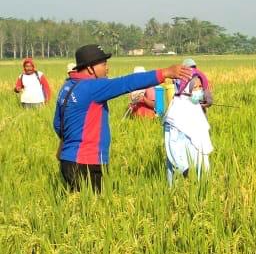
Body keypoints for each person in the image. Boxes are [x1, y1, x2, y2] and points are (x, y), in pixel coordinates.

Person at [53, 44, 192, 192]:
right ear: (89, 68)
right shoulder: (92, 87)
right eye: (104, 64)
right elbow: (127, 83)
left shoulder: (67, 87)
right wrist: (165, 72)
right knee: (96, 209)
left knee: (80, 208)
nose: (107, 68)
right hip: (87, 163)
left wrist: (65, 147)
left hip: (67, 161)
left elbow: (58, 124)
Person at [163, 58, 214, 185]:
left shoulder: (196, 110)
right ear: (186, 89)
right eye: (195, 88)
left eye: (200, 87)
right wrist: (184, 168)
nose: (199, 90)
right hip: (181, 172)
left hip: (197, 174)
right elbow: (172, 146)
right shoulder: (174, 116)